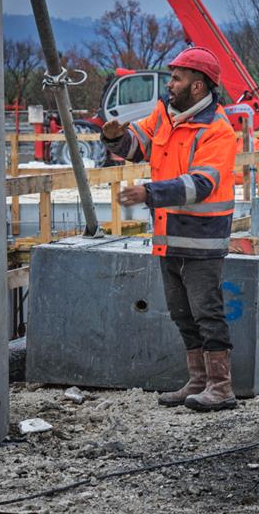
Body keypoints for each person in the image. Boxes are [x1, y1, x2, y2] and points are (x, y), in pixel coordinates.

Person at [101, 46, 237, 412]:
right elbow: (138, 145)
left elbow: (200, 185)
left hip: (202, 239)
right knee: (182, 314)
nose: (170, 83)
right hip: (168, 236)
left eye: (177, 77)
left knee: (208, 313)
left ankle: (221, 388)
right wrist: (115, 138)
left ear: (198, 85)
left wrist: (149, 192)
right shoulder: (164, 114)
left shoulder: (218, 130)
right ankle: (197, 382)